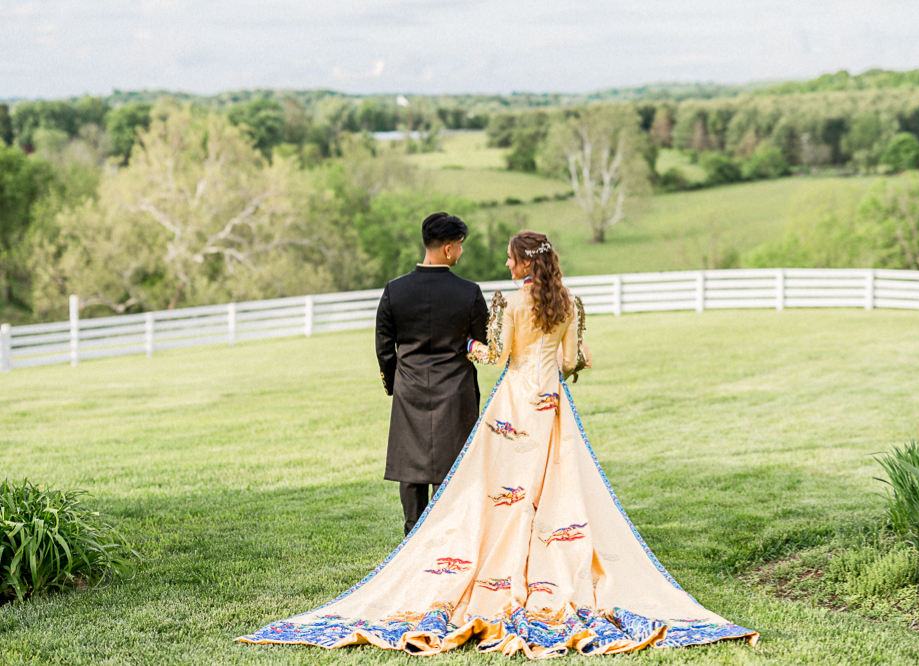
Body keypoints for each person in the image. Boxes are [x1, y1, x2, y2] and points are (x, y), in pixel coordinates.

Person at [237, 230, 757, 657]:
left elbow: (497, 355)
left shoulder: (509, 302)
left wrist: (467, 344)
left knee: (499, 490)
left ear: (520, 262)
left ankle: (487, 569)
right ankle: (553, 566)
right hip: (551, 407)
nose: (506, 265)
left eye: (509, 258)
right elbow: (572, 361)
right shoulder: (569, 303)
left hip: (511, 409)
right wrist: (574, 362)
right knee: (555, 491)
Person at [374, 212, 489, 536]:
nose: (461, 252)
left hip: (409, 389)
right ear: (449, 249)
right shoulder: (469, 292)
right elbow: (481, 341)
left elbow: (384, 347)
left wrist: (396, 383)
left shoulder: (395, 290)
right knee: (450, 468)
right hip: (455, 391)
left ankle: (413, 534)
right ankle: (447, 540)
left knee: (411, 466)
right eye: (461, 246)